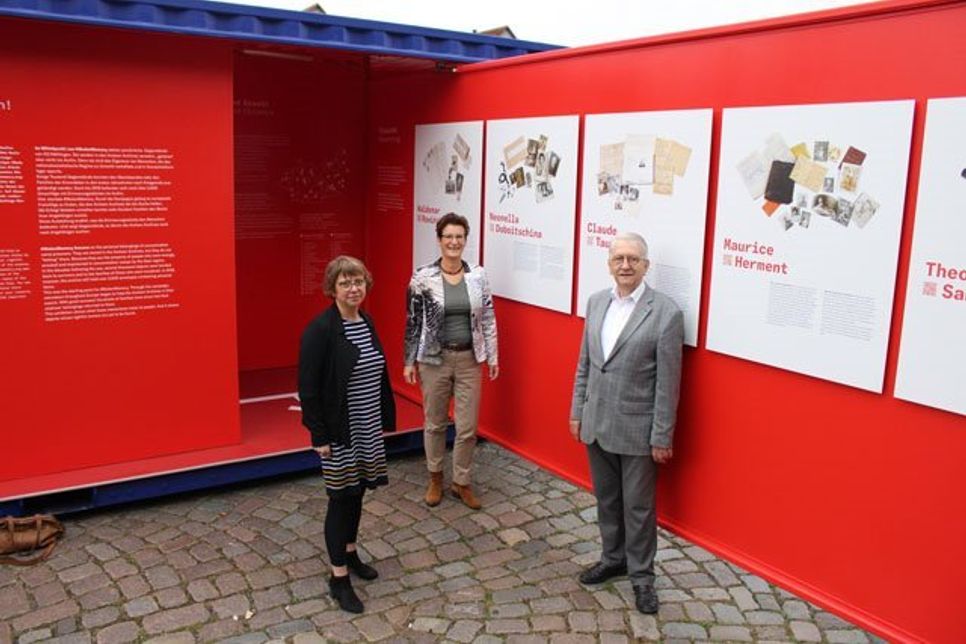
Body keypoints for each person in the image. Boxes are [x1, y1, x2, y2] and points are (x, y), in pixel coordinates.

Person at [569, 232, 684, 615]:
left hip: (638, 430)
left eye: (633, 259)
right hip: (597, 423)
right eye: (619, 258)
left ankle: (642, 578)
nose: (625, 265)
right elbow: (585, 364)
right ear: (609, 263)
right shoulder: (596, 302)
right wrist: (576, 412)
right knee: (607, 500)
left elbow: (668, 383)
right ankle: (612, 558)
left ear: (646, 265)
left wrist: (661, 435)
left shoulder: (666, 313)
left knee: (638, 508)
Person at [298, 256, 396, 614]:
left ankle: (350, 553)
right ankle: (338, 578)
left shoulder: (365, 321)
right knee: (340, 499)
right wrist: (318, 435)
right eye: (345, 283)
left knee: (357, 494)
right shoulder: (321, 330)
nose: (353, 288)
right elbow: (308, 388)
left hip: (367, 426)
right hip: (340, 431)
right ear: (332, 288)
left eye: (358, 282)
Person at [404, 212, 499, 510]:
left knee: (468, 426)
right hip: (434, 358)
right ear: (439, 240)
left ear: (465, 240)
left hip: (470, 358)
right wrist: (409, 361)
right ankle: (435, 478)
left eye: (459, 237)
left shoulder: (478, 276)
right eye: (449, 237)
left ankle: (461, 481)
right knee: (434, 422)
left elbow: (488, 317)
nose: (454, 242)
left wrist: (493, 355)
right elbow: (412, 322)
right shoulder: (422, 277)